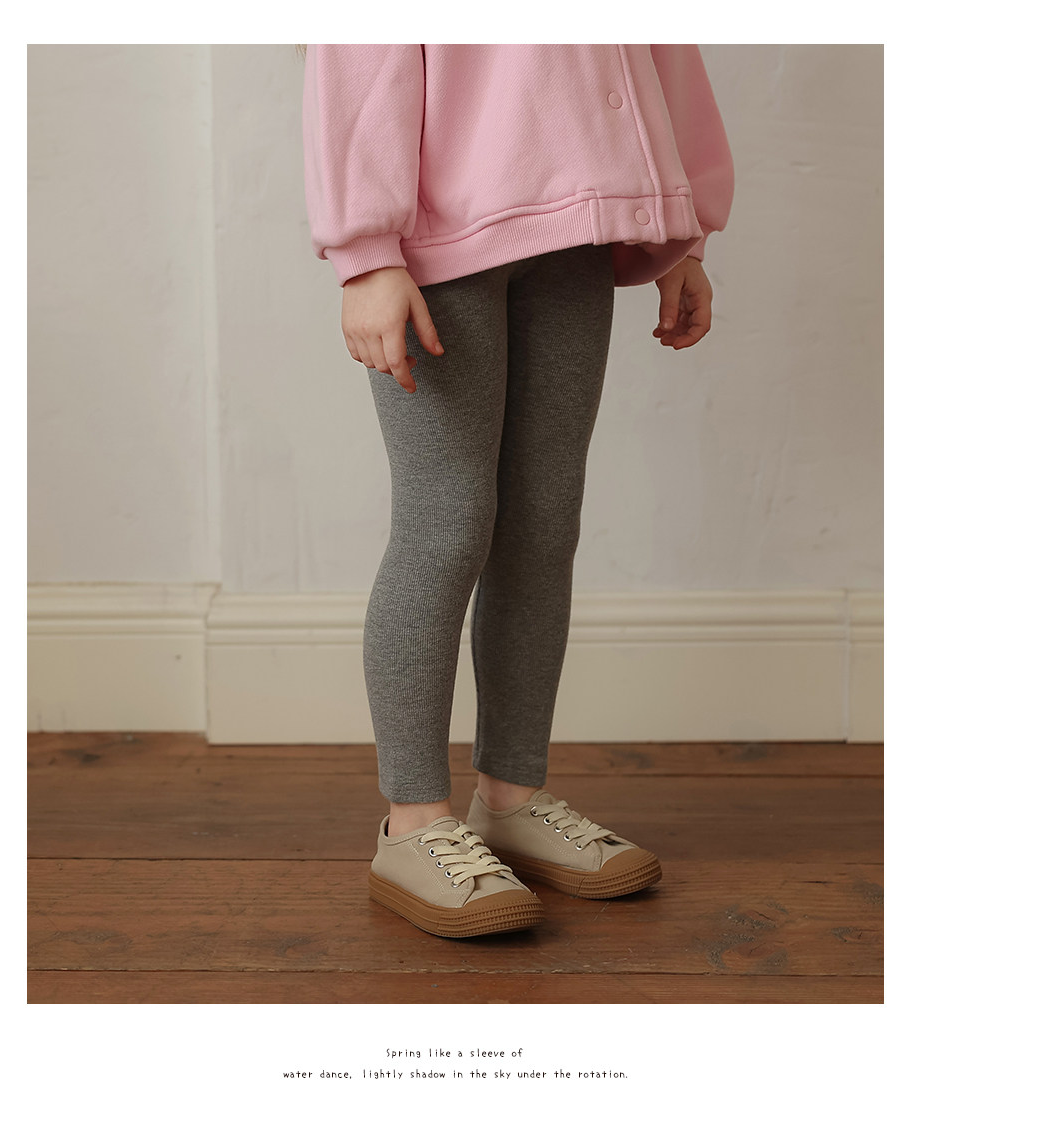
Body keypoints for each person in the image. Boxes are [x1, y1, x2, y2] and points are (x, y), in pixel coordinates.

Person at [301, 44, 734, 938]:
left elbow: (662, 48)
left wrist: (680, 225)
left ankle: (511, 795)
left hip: (580, 232)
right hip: (439, 244)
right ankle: (413, 822)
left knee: (543, 521)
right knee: (448, 522)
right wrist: (366, 251)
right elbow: (359, 55)